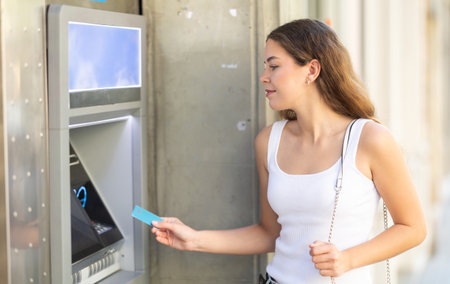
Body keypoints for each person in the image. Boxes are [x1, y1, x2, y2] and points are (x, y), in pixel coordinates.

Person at [151, 19, 427, 283]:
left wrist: (347, 259)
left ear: (311, 70)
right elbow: (270, 233)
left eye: (273, 66)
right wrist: (194, 239)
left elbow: (412, 228)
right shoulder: (269, 141)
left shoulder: (369, 139)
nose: (263, 77)